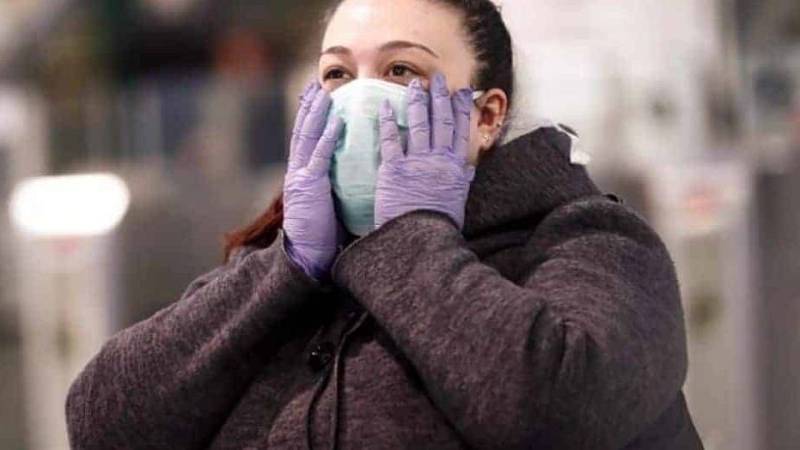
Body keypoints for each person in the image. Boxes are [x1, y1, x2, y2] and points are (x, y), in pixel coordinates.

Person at [65, 0, 704, 448]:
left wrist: (407, 239)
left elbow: (553, 410)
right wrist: (285, 266)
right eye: (338, 74)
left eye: (402, 71)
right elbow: (102, 422)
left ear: (485, 117)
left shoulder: (595, 244)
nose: (360, 99)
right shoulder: (294, 273)